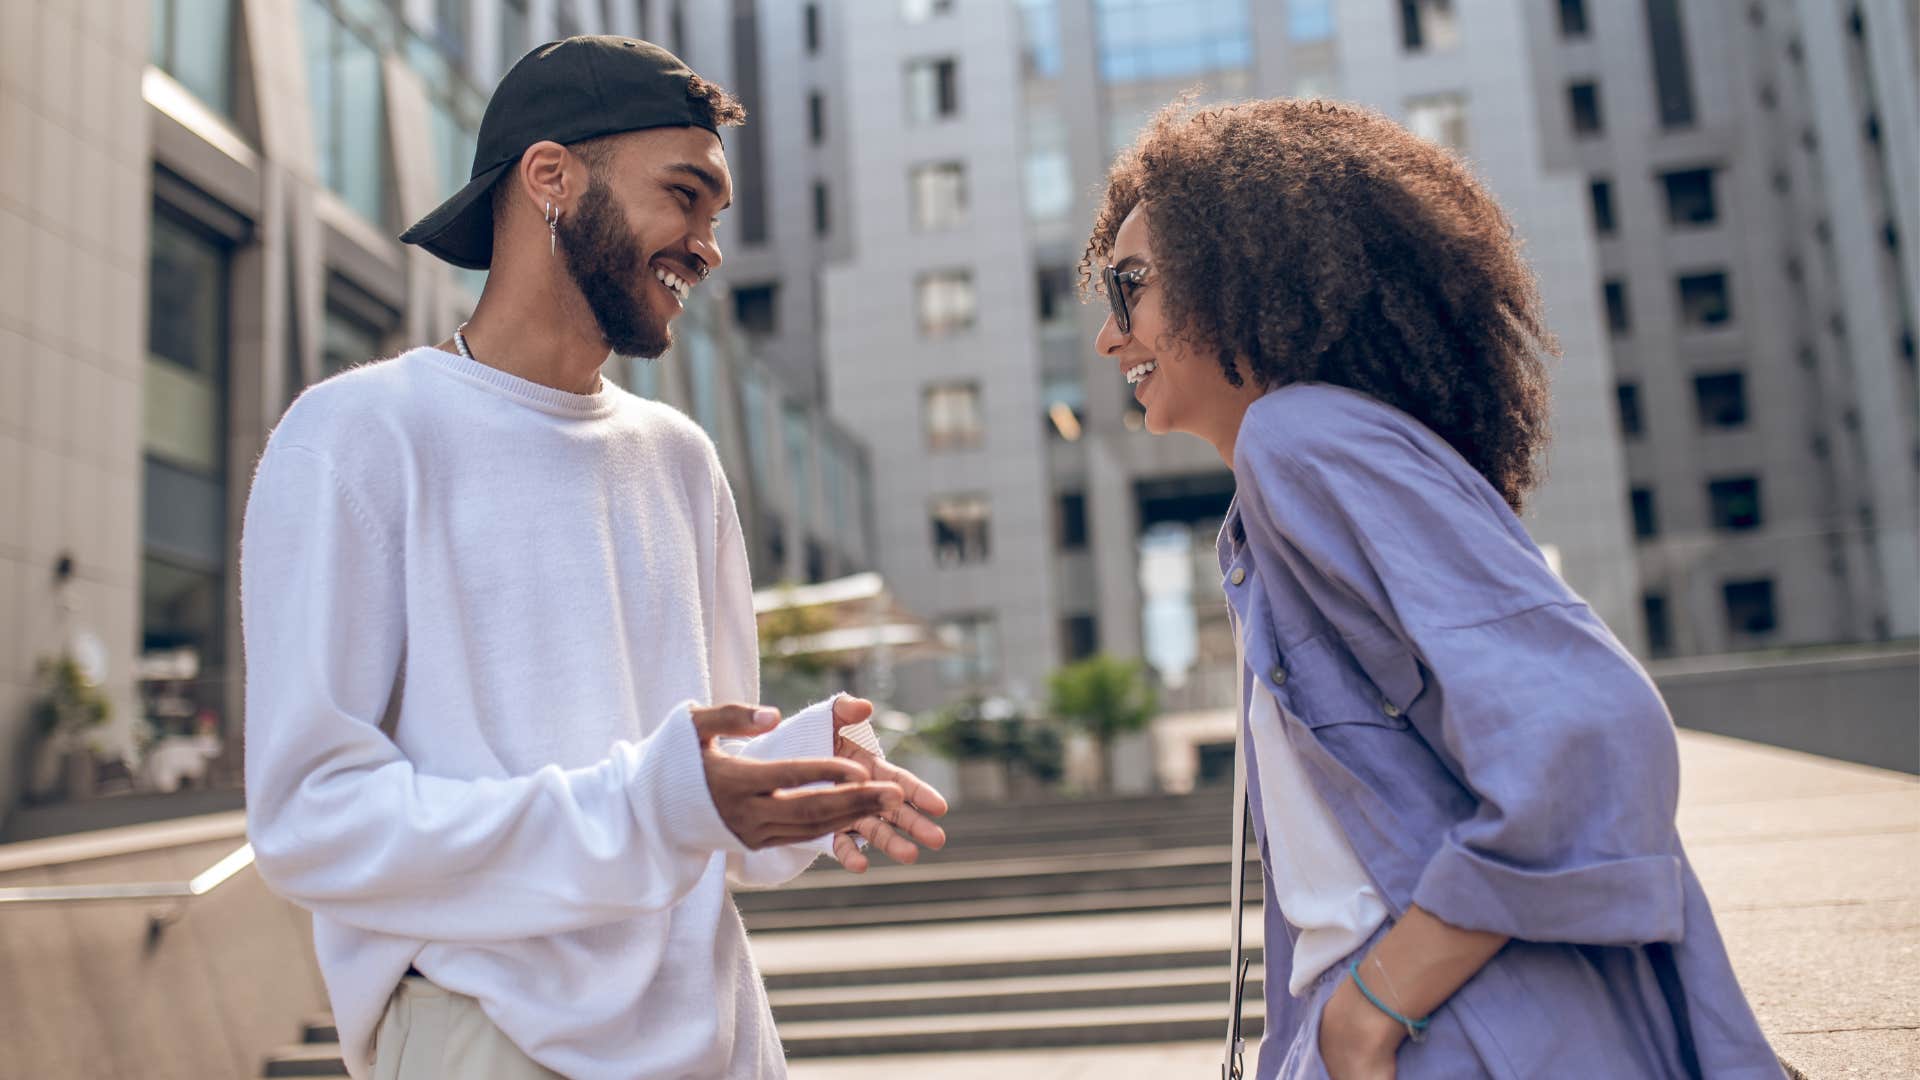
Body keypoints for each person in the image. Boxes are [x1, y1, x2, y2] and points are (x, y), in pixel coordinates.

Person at [241, 38, 947, 1080]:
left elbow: (688, 798)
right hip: (489, 1035)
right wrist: (652, 805)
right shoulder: (360, 435)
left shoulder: (681, 461)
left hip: (713, 1032)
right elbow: (311, 822)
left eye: (716, 214)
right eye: (684, 195)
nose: (706, 245)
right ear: (551, 178)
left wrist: (789, 779)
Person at [1086, 98, 1782, 1079]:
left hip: (1455, 1033)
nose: (1112, 339)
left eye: (1131, 286)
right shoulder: (1289, 484)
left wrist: (1372, 1008)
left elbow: (1591, 732)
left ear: (1247, 275)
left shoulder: (1305, 440)